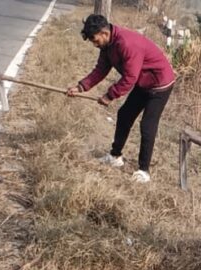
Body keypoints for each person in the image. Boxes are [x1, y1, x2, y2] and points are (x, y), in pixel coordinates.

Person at [67, 14, 176, 183]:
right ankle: (115, 156)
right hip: (143, 81)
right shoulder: (107, 46)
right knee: (124, 115)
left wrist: (110, 95)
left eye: (95, 40)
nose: (95, 44)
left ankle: (144, 171)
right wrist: (81, 87)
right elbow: (101, 70)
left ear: (104, 33)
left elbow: (130, 77)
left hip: (159, 83)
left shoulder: (126, 43)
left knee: (147, 125)